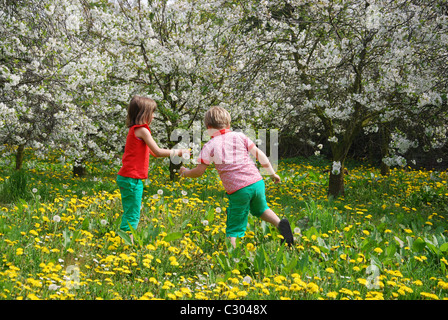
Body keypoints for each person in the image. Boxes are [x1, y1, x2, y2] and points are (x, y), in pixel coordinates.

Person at [179, 106, 294, 248]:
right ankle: (281, 224)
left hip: (239, 189)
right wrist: (271, 173)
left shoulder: (210, 145)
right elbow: (259, 154)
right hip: (257, 182)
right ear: (228, 124)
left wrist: (185, 173)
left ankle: (234, 258)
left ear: (208, 128)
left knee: (235, 226)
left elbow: (199, 172)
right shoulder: (240, 136)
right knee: (261, 208)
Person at [117, 95, 188, 236]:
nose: (154, 117)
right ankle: (125, 243)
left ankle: (123, 239)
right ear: (144, 114)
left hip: (129, 178)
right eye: (152, 113)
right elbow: (157, 151)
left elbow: (153, 154)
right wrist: (179, 152)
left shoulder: (135, 130)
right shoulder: (142, 130)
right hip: (132, 179)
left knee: (130, 212)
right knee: (132, 215)